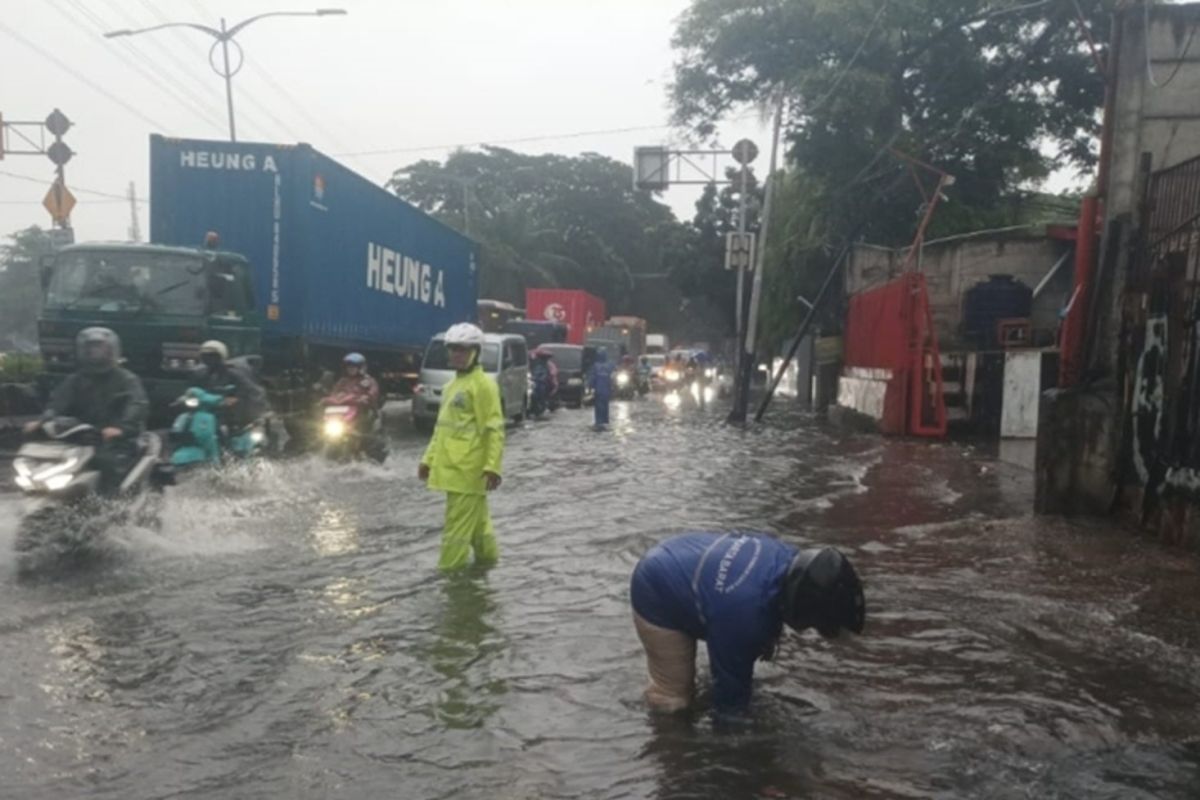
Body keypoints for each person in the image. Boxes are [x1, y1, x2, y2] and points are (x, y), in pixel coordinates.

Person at [630, 531, 865, 712]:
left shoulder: (787, 556)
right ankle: (668, 749)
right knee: (674, 699)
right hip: (656, 588)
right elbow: (730, 699)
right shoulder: (743, 617)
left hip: (683, 553)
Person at [418, 323, 505, 571]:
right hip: (452, 470)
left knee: (455, 532)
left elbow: (494, 429)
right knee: (480, 529)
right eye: (453, 349)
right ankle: (489, 566)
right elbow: (442, 429)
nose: (457, 354)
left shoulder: (484, 386)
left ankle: (450, 579)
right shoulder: (451, 387)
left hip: (468, 472)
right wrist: (428, 460)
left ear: (476, 352)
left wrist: (493, 466)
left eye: (463, 350)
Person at [24, 327, 148, 495]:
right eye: (90, 348)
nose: (94, 352)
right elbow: (57, 403)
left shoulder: (127, 379)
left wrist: (121, 428)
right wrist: (42, 421)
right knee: (46, 456)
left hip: (117, 439)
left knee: (105, 461)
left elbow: (137, 405)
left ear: (112, 350)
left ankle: (112, 506)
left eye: (100, 347)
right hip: (82, 436)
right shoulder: (75, 380)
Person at [196, 340, 268, 430]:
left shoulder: (233, 372)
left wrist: (236, 398)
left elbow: (251, 390)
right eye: (205, 356)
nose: (209, 359)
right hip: (209, 408)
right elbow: (194, 388)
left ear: (221, 356)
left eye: (213, 356)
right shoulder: (200, 372)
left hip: (231, 411)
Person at [328, 352, 386, 459]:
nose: (350, 369)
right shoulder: (342, 381)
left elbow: (373, 393)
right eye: (349, 367)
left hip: (363, 414)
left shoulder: (368, 381)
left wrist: (366, 397)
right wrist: (327, 400)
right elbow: (334, 394)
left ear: (360, 368)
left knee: (368, 435)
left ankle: (367, 448)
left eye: (353, 367)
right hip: (345, 415)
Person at [587, 348, 614, 430]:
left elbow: (592, 378)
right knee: (605, 406)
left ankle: (598, 422)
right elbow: (612, 378)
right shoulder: (609, 366)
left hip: (599, 390)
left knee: (599, 407)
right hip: (606, 391)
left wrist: (590, 386)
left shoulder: (595, 366)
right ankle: (604, 422)